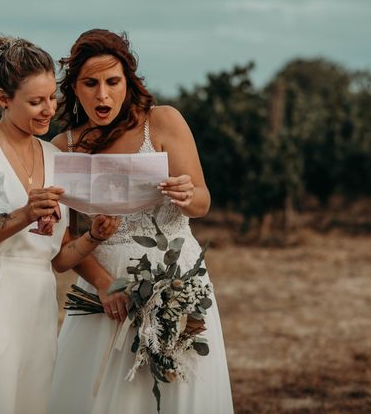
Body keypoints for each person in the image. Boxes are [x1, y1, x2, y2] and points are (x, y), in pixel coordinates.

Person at [48, 29, 233, 413]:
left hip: (177, 277)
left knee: (174, 393)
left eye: (113, 82)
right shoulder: (62, 148)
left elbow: (202, 202)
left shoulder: (163, 122)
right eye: (91, 83)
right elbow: (60, 240)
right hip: (103, 291)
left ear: (128, 82)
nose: (103, 95)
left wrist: (187, 194)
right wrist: (102, 284)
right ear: (75, 88)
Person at [0, 36, 120, 414]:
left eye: (52, 99)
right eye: (35, 102)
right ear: (4, 99)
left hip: (40, 305)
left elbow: (57, 259)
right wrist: (23, 215)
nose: (48, 110)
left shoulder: (55, 156)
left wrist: (93, 236)